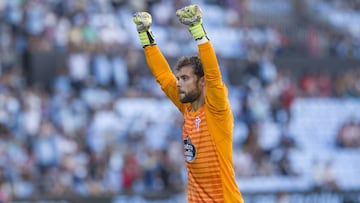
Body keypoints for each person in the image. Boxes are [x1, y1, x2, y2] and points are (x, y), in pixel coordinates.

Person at [132, 5, 244, 202]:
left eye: (185, 79)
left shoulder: (216, 110)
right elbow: (163, 77)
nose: (179, 83)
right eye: (179, 78)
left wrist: (197, 30)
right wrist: (145, 34)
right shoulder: (187, 108)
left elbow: (213, 76)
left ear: (201, 82)